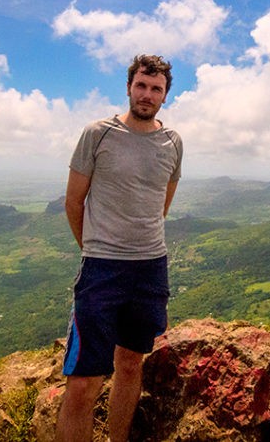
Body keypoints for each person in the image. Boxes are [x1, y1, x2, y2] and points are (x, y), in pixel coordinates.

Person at [55, 53, 183, 442]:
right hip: (102, 269)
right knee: (83, 383)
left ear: (165, 96)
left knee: (130, 364)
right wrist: (94, 248)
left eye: (156, 89)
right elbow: (73, 201)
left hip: (150, 268)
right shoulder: (99, 134)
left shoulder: (172, 142)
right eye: (141, 86)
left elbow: (162, 203)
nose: (147, 94)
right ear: (129, 87)